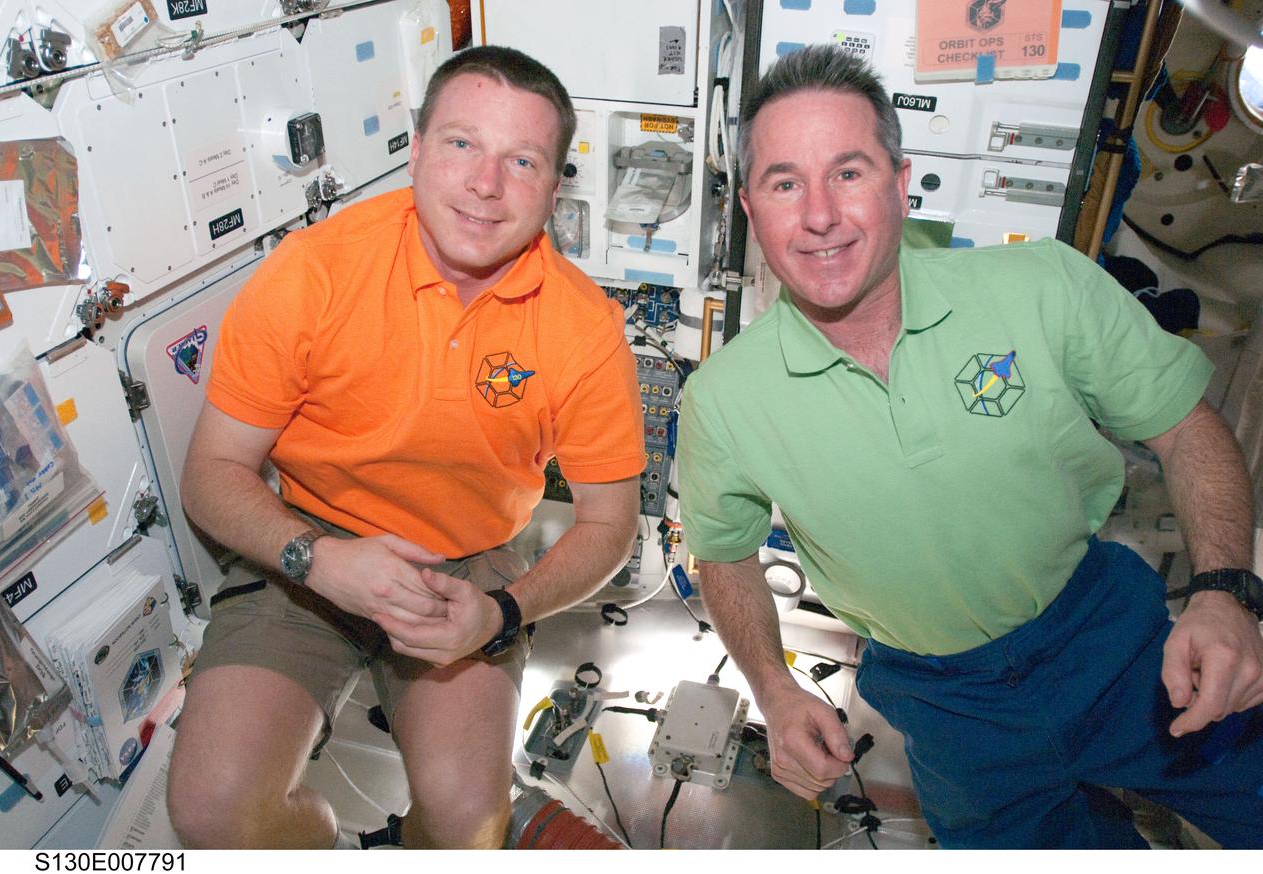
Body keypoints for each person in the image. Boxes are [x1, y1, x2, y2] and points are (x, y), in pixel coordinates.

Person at [676, 43, 1263, 849]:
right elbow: (724, 555)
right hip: (946, 711)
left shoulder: (1042, 285)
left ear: (900, 180)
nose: (818, 214)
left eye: (848, 172)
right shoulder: (723, 399)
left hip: (1109, 643)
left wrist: (1225, 592)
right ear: (751, 207)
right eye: (786, 183)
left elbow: (1186, 423)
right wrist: (773, 689)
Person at [166, 46, 645, 849]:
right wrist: (319, 559)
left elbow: (610, 525)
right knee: (215, 812)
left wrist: (500, 613)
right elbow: (211, 476)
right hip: (305, 549)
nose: (485, 185)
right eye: (461, 144)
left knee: (468, 826)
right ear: (415, 149)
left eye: (521, 160)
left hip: (466, 568)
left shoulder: (583, 329)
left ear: (554, 188)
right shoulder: (311, 275)